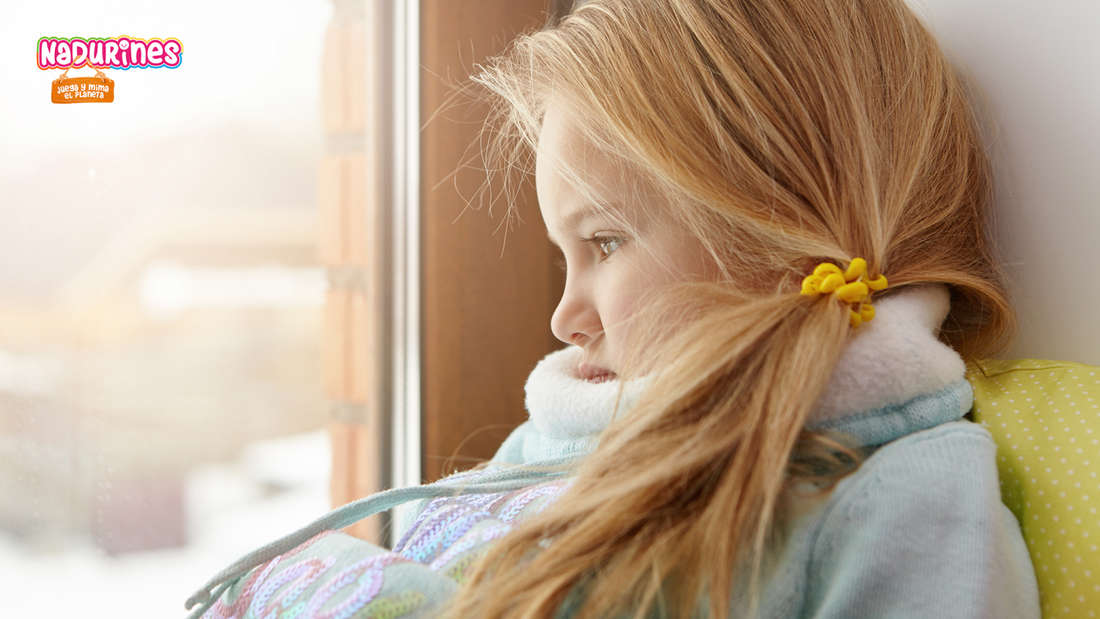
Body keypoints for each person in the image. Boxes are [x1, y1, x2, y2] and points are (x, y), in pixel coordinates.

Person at [185, 0, 1040, 617]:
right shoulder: (555, 438)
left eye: (603, 243)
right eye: (564, 255)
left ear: (779, 232)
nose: (564, 316)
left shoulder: (895, 497)